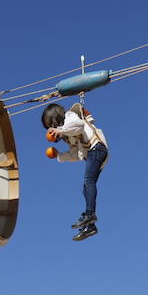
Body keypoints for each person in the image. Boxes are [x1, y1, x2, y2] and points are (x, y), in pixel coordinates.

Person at [41, 101, 109, 241]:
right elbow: (77, 155)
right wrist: (59, 155)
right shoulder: (69, 136)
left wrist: (60, 130)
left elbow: (79, 125)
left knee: (88, 181)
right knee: (86, 187)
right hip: (92, 153)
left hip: (97, 148)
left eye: (50, 127)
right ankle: (90, 226)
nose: (50, 132)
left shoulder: (70, 116)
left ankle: (90, 215)